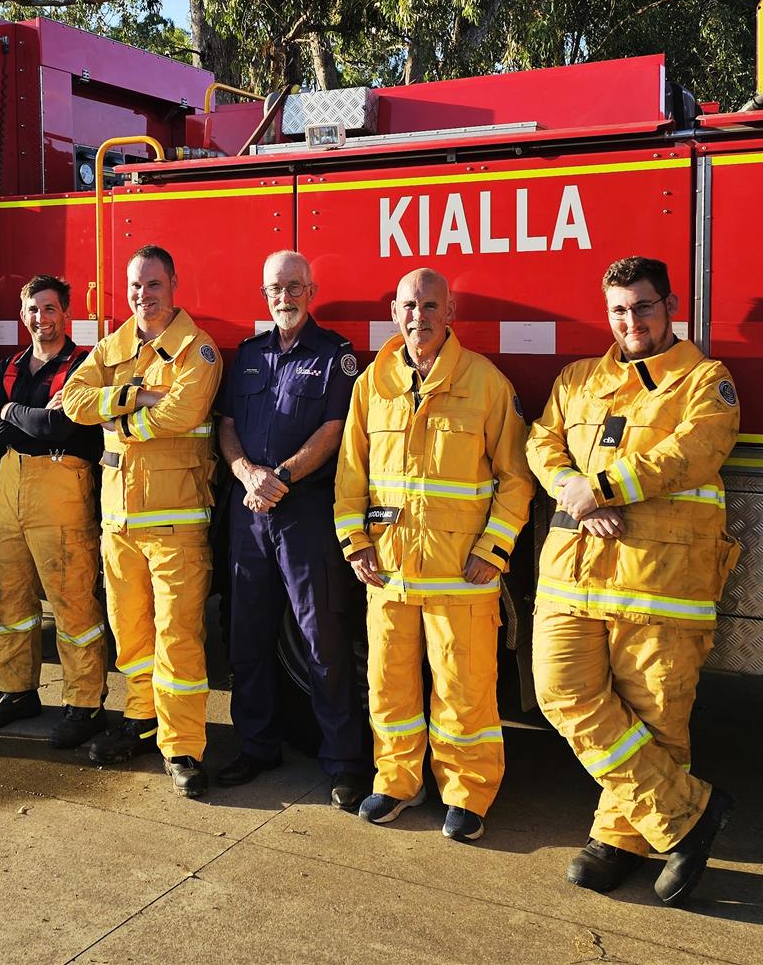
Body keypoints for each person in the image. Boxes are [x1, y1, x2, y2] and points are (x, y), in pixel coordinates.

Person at [527, 255, 741, 906]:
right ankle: (690, 816)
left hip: (660, 582)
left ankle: (619, 839)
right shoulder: (578, 379)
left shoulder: (705, 381)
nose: (631, 321)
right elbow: (542, 440)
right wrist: (571, 486)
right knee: (559, 693)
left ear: (669, 306)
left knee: (656, 718)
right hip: (572, 576)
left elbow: (693, 452)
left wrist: (602, 488)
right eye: (619, 309)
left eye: (643, 306)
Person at [333, 267, 533, 842]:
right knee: (388, 685)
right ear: (393, 313)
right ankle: (397, 782)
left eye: (429, 305)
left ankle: (468, 793)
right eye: (408, 305)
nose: (417, 316)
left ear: (450, 313)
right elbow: (350, 476)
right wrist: (356, 545)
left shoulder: (485, 383)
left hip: (460, 575)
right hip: (389, 572)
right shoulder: (371, 385)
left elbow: (516, 479)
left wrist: (495, 549)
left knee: (465, 690)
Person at [61, 245, 222, 798]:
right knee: (129, 632)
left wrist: (120, 423)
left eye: (153, 284)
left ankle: (184, 746)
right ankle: (141, 718)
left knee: (178, 638)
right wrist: (136, 395)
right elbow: (73, 400)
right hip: (119, 522)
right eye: (135, 285)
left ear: (173, 283)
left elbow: (183, 411)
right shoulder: (115, 344)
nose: (142, 295)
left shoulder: (197, 349)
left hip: (176, 524)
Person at [216, 250, 369, 809]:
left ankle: (344, 761)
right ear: (265, 295)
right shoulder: (249, 354)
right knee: (248, 636)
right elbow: (227, 425)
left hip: (304, 512)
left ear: (312, 291)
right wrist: (245, 472)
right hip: (249, 511)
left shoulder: (335, 355)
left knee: (321, 638)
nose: (285, 297)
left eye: (294, 287)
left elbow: (335, 428)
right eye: (275, 289)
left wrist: (279, 477)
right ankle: (257, 746)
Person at [0, 274, 108, 746]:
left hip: (62, 487)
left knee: (72, 600)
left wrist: (12, 413)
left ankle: (85, 704)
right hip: (11, 484)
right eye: (32, 309)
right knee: (8, 595)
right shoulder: (9, 366)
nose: (40, 318)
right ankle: (16, 691)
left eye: (49, 308)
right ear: (22, 315)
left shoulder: (83, 365)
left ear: (66, 314)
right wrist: (25, 418)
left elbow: (59, 428)